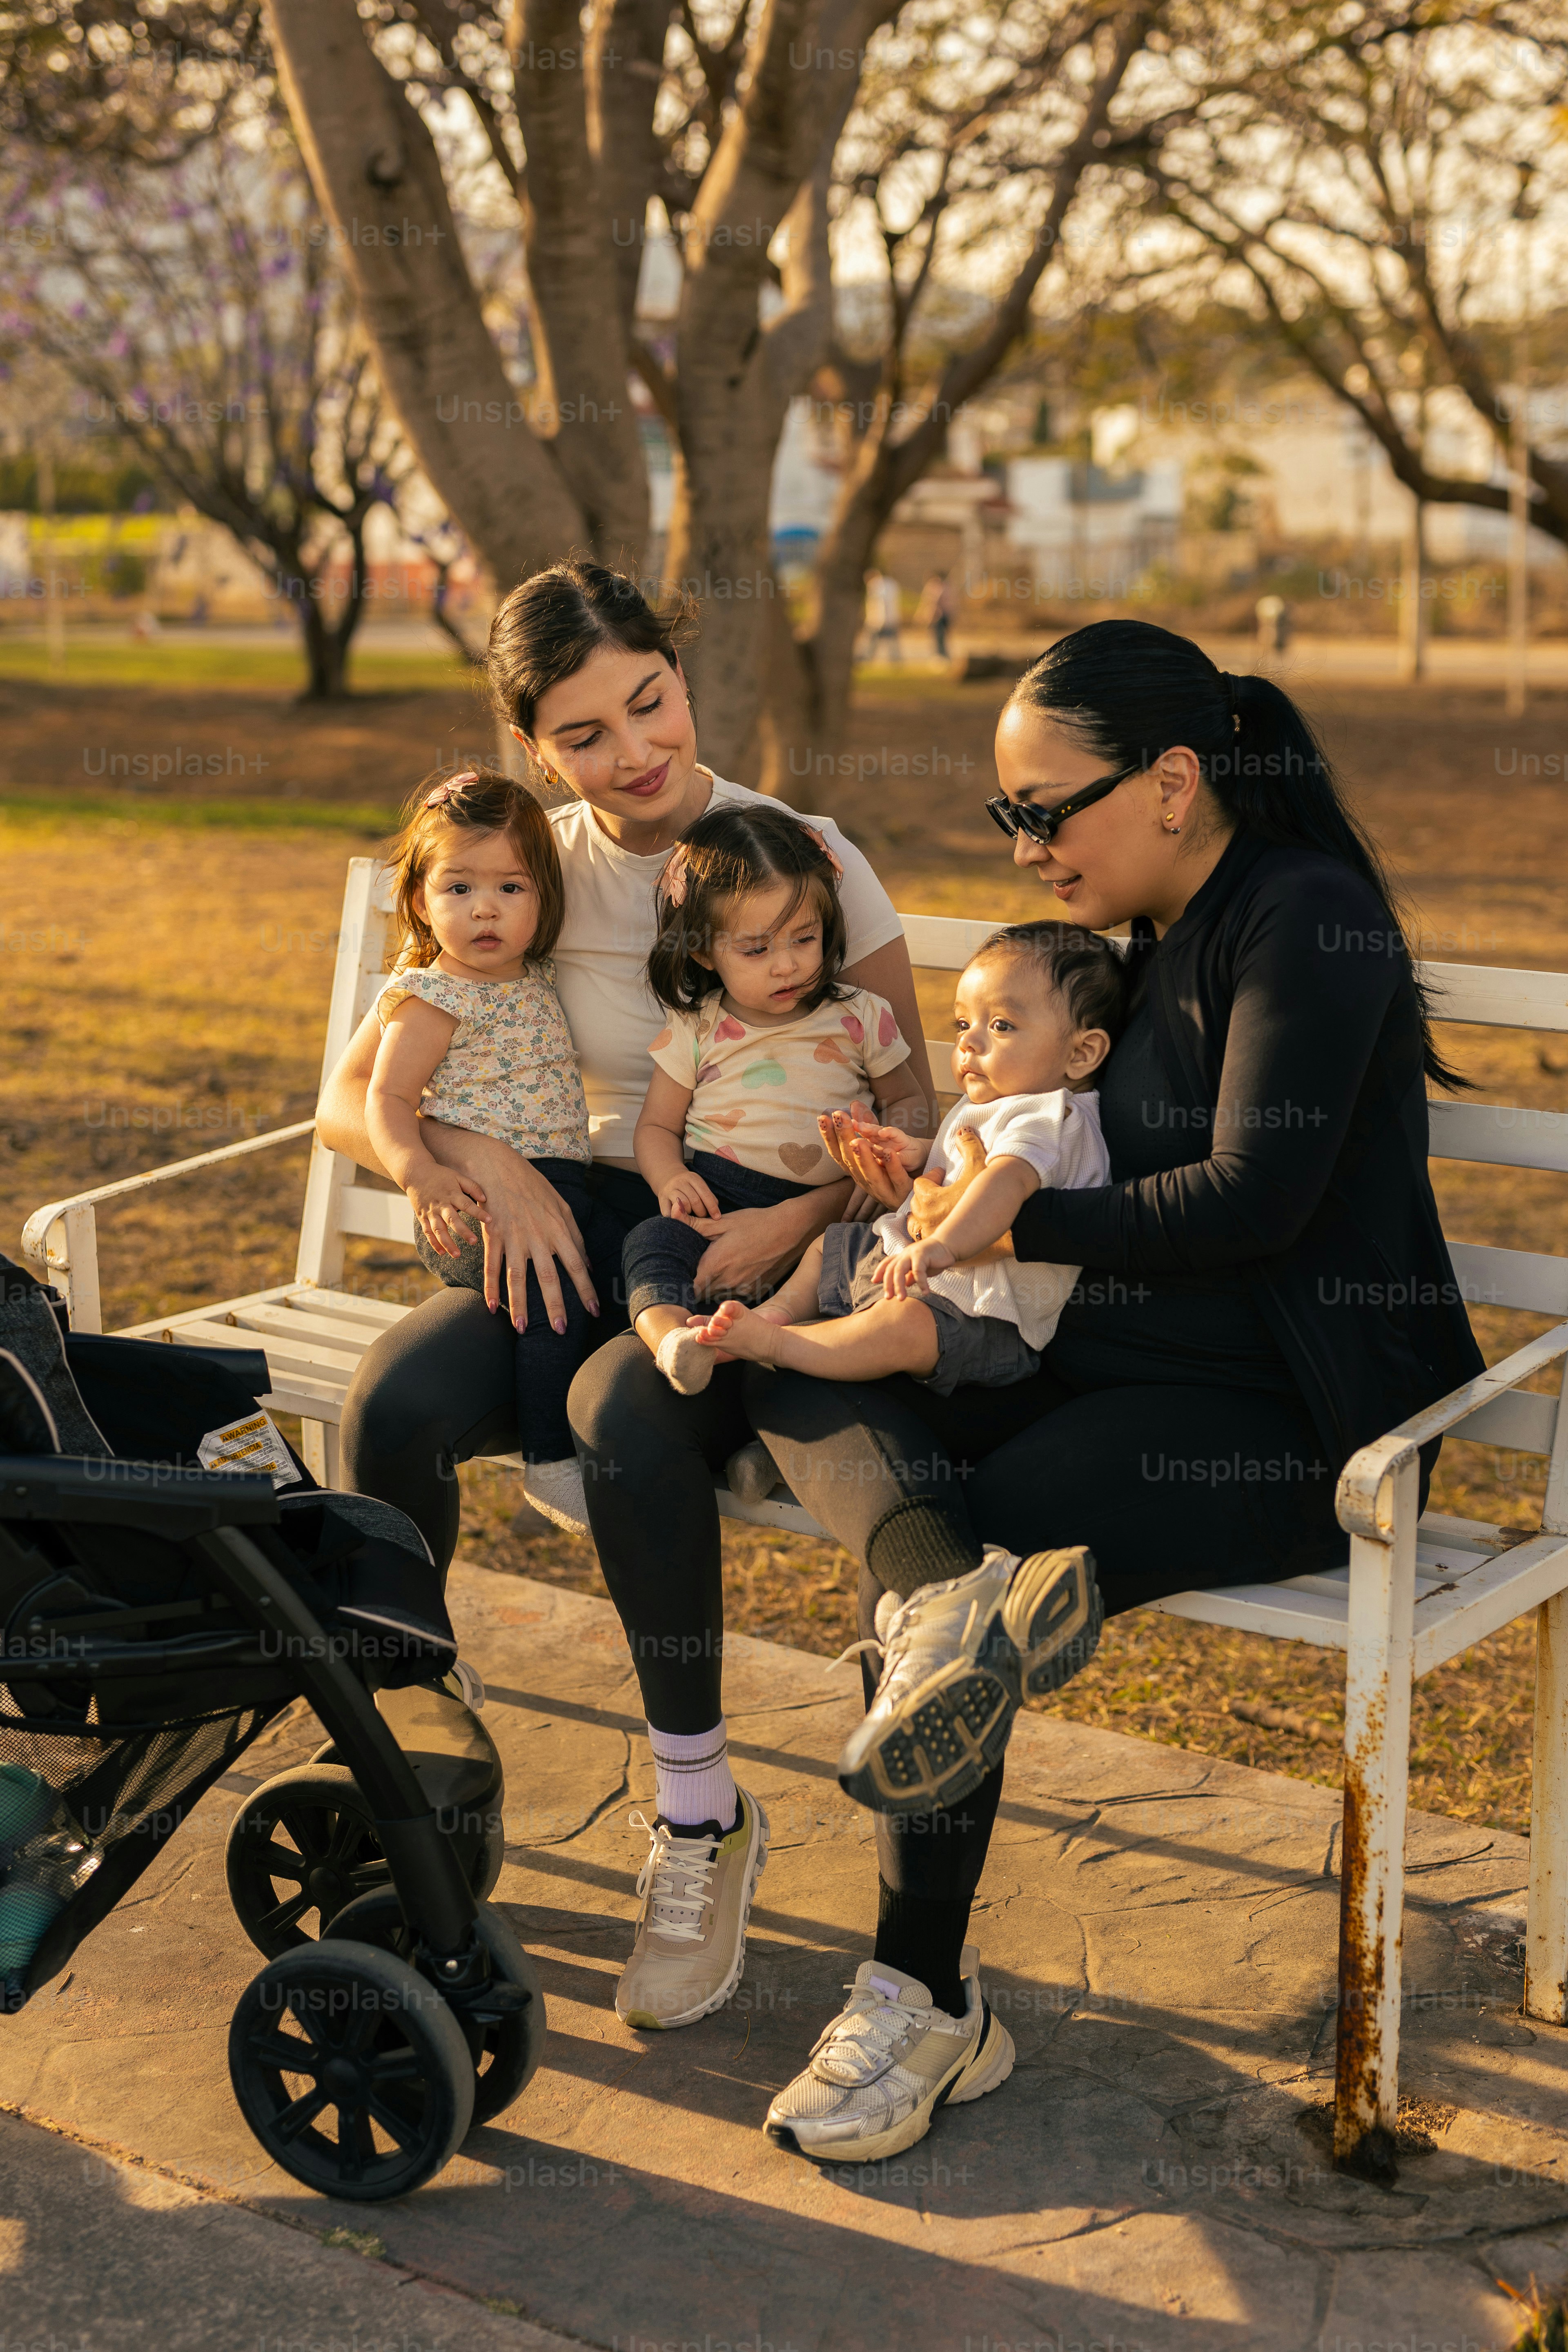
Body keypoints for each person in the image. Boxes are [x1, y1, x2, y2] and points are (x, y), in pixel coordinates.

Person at [571, 614, 1484, 2165]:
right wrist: (915, 1198)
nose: (1026, 844)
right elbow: (1037, 1151)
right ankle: (929, 1605)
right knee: (768, 1365)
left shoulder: (1303, 918)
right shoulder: (1143, 936)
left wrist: (1005, 1215)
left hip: (1288, 1423)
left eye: (1043, 809)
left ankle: (925, 1992)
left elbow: (1254, 1199)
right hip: (1103, 1361)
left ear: (1175, 782)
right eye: (1016, 815)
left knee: (981, 1534)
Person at [317, 560, 935, 2017]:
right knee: (390, 1407)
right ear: (537, 750)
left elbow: (913, 1122)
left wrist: (790, 1221)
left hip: (765, 1271)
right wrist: (487, 1161)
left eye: (648, 702)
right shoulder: (534, 861)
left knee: (621, 1414)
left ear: (683, 672)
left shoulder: (806, 855)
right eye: (585, 734)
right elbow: (353, 1096)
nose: (633, 752)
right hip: (589, 1233)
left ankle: (701, 1814)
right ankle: (423, 1761)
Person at [695, 922, 1122, 1407]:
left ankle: (778, 1344)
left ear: (1082, 1052)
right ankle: (776, 1313)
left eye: (1001, 1025)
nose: (969, 1043)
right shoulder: (1003, 1098)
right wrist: (917, 1153)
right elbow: (964, 1162)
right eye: (964, 1025)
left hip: (983, 1316)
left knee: (901, 1327)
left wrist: (943, 1246)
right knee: (829, 1248)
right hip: (920, 1270)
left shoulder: (1049, 1117)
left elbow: (1004, 1183)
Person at [365, 766, 624, 1538]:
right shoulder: (432, 997)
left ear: (544, 899)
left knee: (619, 1263)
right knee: (550, 1295)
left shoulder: (535, 976)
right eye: (459, 889)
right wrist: (419, 1173)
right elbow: (385, 1100)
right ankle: (548, 1466)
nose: (485, 909)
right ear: (420, 900)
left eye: (511, 889)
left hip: (560, 1184)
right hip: (470, 1204)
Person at [626, 802, 926, 1396]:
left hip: (830, 1206)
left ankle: (783, 1419)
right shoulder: (698, 1027)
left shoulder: (861, 1018)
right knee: (649, 1247)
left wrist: (885, 1153)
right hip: (716, 1201)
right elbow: (657, 1128)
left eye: (805, 939)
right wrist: (668, 1181)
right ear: (705, 953)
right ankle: (673, 1343)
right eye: (757, 950)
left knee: (858, 1276)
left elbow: (910, 1102)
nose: (788, 965)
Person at [864, 568, 902, 662]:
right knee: (892, 641)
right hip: (891, 617)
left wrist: (881, 620)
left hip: (879, 619)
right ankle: (896, 659)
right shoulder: (892, 583)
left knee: (874, 640)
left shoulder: (876, 585)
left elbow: (881, 604)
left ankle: (869, 658)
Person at [916, 569, 955, 660]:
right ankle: (940, 654)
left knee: (941, 636)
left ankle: (942, 655)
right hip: (939, 615)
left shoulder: (941, 587)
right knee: (938, 636)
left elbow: (933, 601)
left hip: (939, 615)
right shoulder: (944, 587)